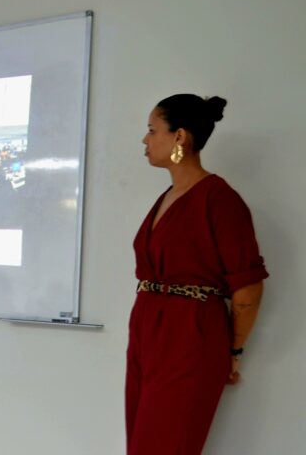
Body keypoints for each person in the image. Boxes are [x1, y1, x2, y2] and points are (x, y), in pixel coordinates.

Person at [125, 94, 268, 454]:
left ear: (179, 136)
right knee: (141, 444)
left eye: (152, 130)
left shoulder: (219, 199)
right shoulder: (169, 195)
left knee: (163, 446)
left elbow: (248, 286)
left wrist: (234, 349)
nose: (145, 139)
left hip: (190, 331)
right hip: (147, 327)